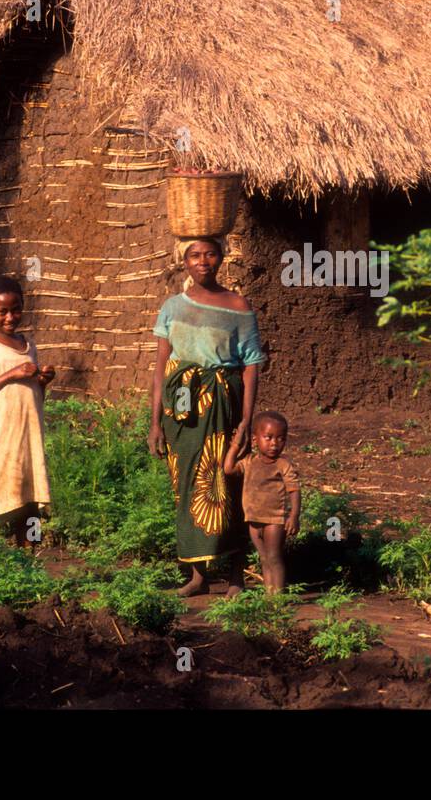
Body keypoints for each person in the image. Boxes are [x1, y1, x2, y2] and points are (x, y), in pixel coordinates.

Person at [148, 236, 265, 597]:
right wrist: (154, 423)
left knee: (227, 485)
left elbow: (251, 367)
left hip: (223, 406)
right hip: (180, 410)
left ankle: (235, 577)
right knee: (185, 488)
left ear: (221, 258)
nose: (203, 262)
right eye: (194, 255)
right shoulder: (171, 307)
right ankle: (198, 577)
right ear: (184, 261)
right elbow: (160, 368)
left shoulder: (238, 305)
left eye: (210, 254)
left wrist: (246, 422)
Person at [0, 276, 54, 547]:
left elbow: (34, 396)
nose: (10, 317)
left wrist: (42, 381)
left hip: (28, 432)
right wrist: (11, 374)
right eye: (2, 311)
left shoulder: (28, 345)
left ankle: (32, 552)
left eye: (16, 309)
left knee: (31, 493)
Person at [223, 411, 299, 593]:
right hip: (254, 520)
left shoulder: (283, 465)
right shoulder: (249, 462)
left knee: (274, 557)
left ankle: (278, 598)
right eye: (269, 437)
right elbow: (228, 469)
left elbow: (294, 489)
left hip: (274, 519)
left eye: (281, 438)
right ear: (256, 440)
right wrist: (236, 444)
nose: (275, 443)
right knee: (264, 558)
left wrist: (294, 515)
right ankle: (269, 595)